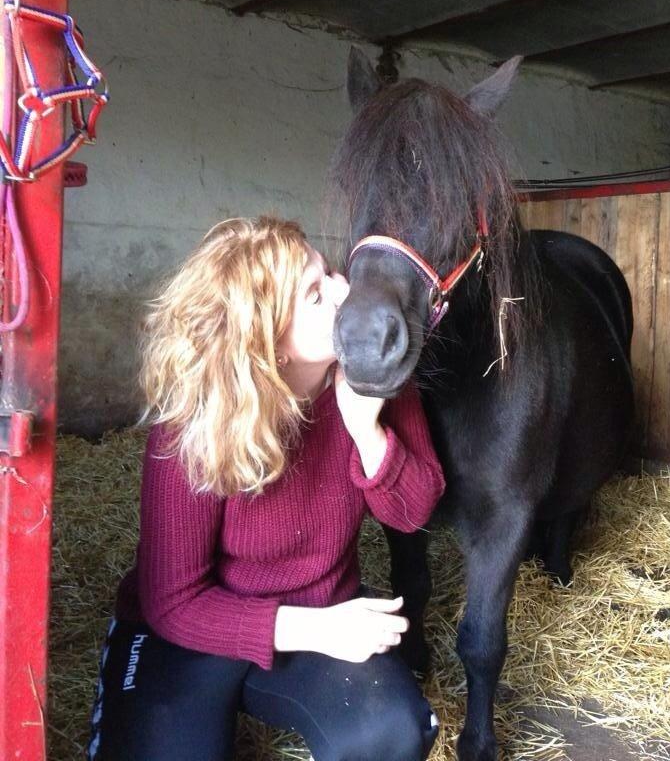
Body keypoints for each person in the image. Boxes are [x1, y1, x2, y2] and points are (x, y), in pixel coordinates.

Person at [87, 215, 446, 761]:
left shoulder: (372, 371)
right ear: (268, 340)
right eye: (315, 293)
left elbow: (414, 510)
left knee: (393, 732)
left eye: (328, 271)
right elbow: (173, 602)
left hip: (321, 611)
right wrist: (314, 630)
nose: (344, 290)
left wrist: (367, 431)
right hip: (195, 631)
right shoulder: (196, 419)